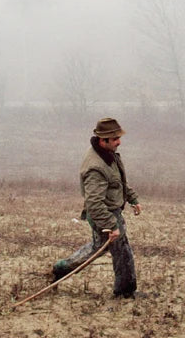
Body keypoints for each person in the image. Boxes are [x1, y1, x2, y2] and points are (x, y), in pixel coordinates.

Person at [50, 118, 144, 298]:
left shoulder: (108, 154)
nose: (119, 142)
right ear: (103, 140)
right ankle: (125, 293)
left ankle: (60, 269)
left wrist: (132, 198)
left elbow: (118, 182)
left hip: (110, 212)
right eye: (115, 138)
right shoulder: (96, 166)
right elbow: (94, 203)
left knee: (104, 248)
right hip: (104, 214)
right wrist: (112, 224)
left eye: (118, 137)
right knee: (119, 251)